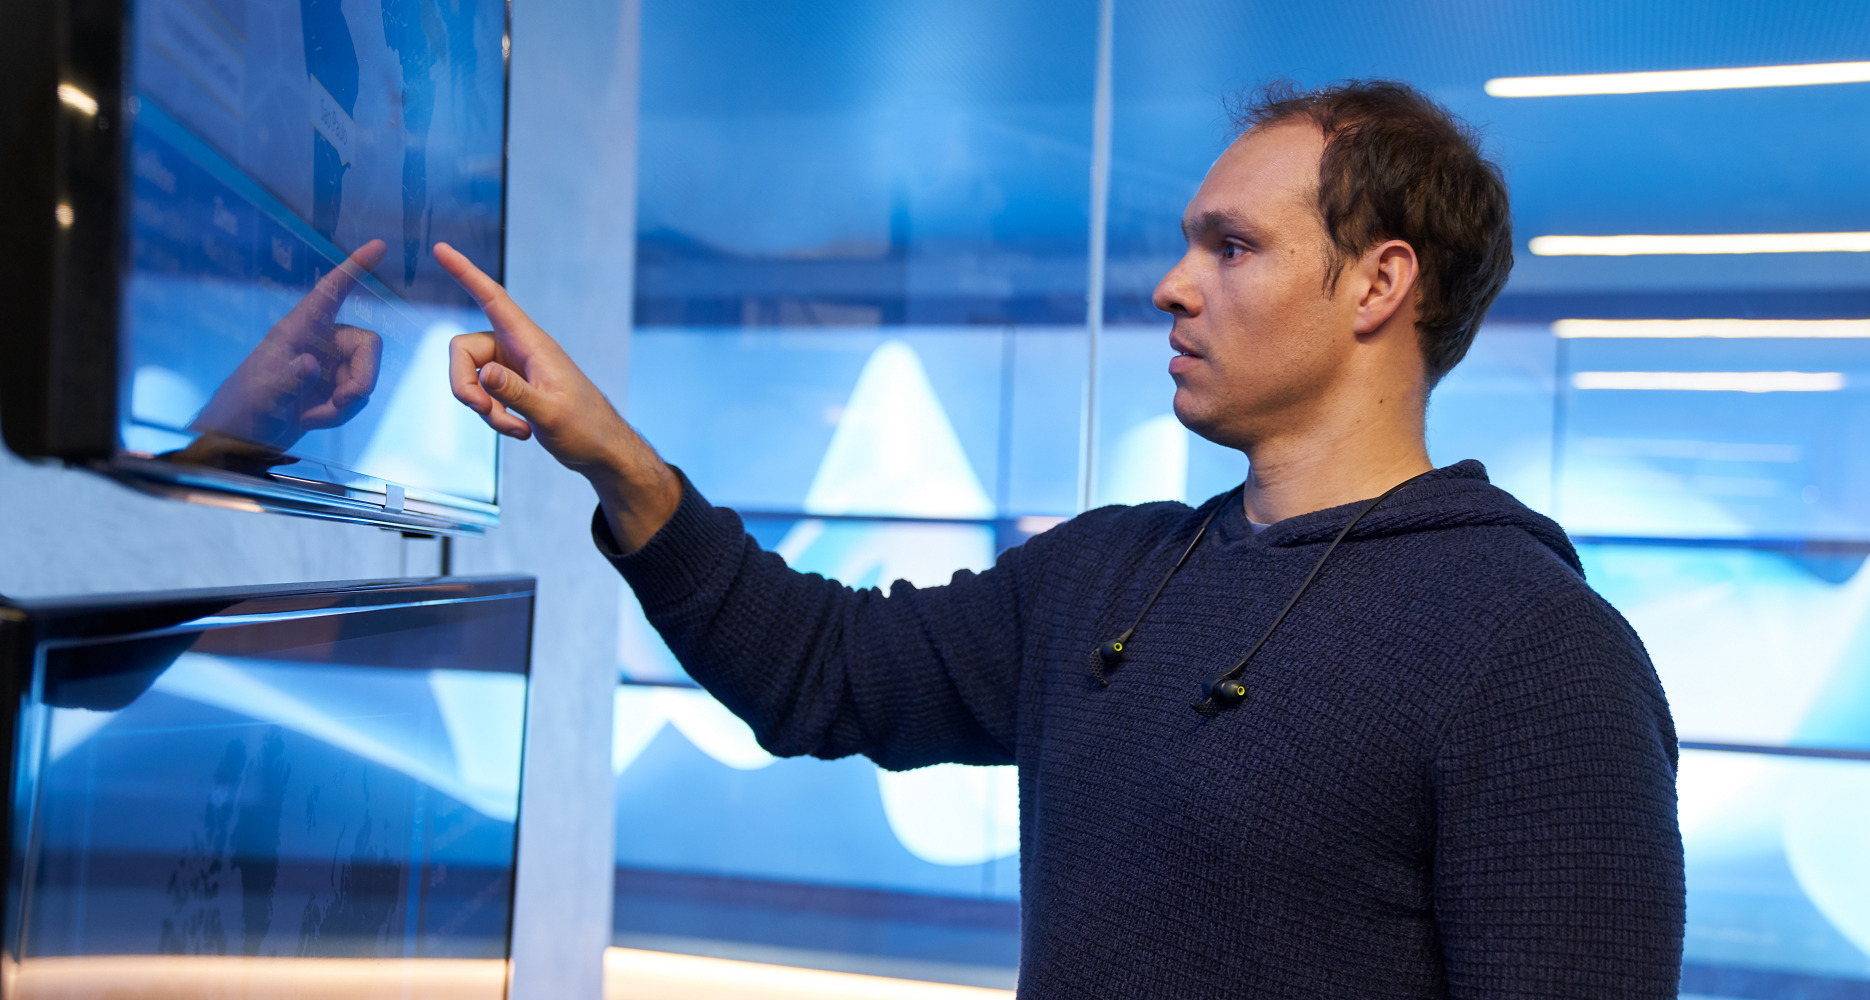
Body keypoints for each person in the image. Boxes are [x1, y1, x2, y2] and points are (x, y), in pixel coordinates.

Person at [434, 80, 1684, 999]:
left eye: (1231, 246)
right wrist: (616, 460)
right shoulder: (1107, 574)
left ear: (1377, 284)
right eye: (1190, 241)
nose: (1172, 285)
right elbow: (818, 671)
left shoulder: (1536, 654)